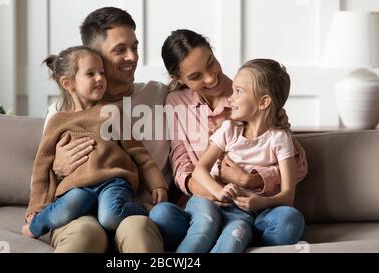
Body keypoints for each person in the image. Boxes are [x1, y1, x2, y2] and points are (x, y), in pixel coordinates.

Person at [149, 29, 307, 252]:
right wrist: (202, 187)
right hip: (206, 201)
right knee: (161, 214)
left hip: (252, 204)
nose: (211, 78)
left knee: (288, 222)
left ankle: (236, 231)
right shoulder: (176, 103)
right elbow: (181, 158)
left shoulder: (249, 94)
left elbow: (299, 167)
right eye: (195, 76)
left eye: (211, 63)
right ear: (178, 79)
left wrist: (249, 180)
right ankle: (230, 232)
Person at [45, 7, 171, 253]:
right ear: (95, 56)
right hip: (80, 212)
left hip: (136, 210)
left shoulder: (158, 94)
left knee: (137, 233)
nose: (132, 57)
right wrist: (56, 167)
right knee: (83, 235)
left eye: (135, 47)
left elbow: (214, 88)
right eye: (120, 50)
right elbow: (39, 177)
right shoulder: (63, 110)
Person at [21, 46, 168, 239]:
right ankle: (34, 228)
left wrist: (157, 184)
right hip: (77, 186)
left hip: (113, 181)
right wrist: (36, 207)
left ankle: (142, 209)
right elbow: (42, 166)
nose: (100, 78)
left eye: (102, 73)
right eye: (91, 74)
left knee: (110, 216)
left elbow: (138, 152)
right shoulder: (58, 121)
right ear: (68, 83)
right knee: (65, 208)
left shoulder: (112, 112)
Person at [190, 58, 300, 252]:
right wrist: (218, 192)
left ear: (263, 102)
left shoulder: (280, 139)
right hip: (219, 207)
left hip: (253, 214)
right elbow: (199, 170)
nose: (230, 98)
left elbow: (288, 195)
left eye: (238, 92)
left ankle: (239, 231)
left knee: (291, 220)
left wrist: (261, 201)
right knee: (165, 213)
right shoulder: (228, 129)